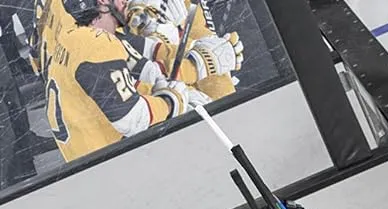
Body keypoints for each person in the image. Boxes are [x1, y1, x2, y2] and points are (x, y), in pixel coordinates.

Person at [31, 0, 235, 161]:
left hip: (87, 156)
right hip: (117, 163)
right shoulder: (94, 43)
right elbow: (132, 116)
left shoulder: (74, 32)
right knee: (196, 111)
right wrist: (174, 96)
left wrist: (191, 61)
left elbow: (132, 64)